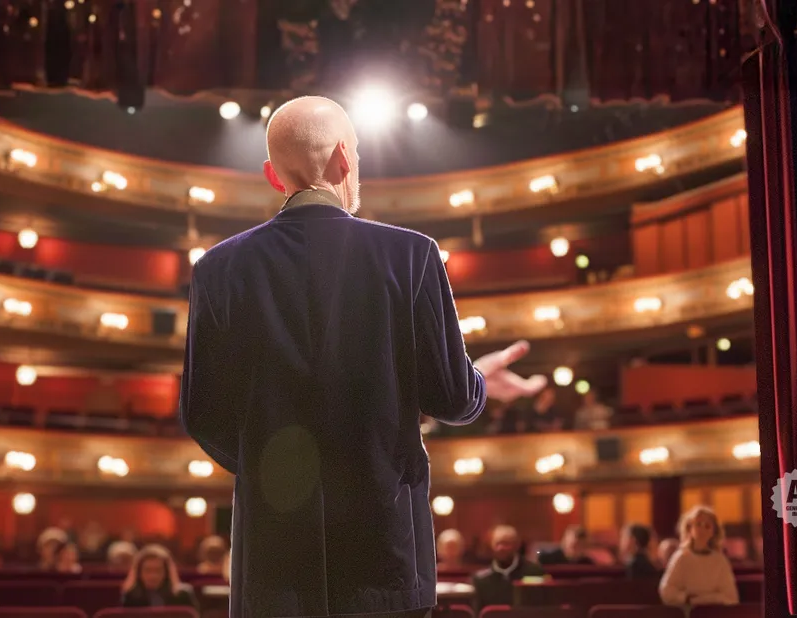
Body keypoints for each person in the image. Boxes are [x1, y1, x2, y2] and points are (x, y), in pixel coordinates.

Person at [180, 95, 547, 618]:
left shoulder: (216, 269)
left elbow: (203, 415)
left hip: (274, 565)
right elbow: (453, 399)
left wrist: (274, 468)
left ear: (272, 175)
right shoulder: (412, 254)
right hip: (385, 558)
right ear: (345, 159)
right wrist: (479, 380)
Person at [659, 505, 739, 607]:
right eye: (698, 524)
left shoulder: (720, 560)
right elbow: (666, 591)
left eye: (707, 526)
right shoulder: (681, 557)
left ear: (713, 532)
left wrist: (706, 599)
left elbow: (731, 597)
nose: (702, 529)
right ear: (690, 528)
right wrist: (686, 598)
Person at [471, 526, 545, 612]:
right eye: (497, 544)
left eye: (506, 544)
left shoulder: (534, 572)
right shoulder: (480, 580)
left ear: (516, 545)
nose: (501, 548)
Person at [121, 545, 198, 608]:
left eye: (158, 570)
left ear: (167, 573)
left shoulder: (182, 595)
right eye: (148, 570)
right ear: (139, 573)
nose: (153, 576)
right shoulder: (130, 596)